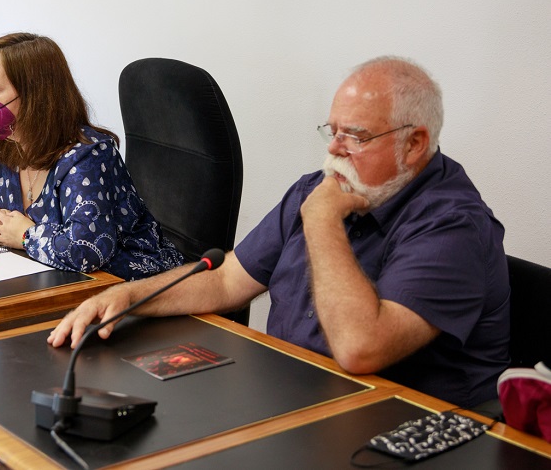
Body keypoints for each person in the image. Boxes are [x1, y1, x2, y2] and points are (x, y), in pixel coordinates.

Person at [48, 56, 510, 408]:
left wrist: (323, 222)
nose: (334, 148)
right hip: (293, 395)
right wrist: (130, 297)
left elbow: (358, 349)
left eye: (356, 136)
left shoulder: (453, 225)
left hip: (399, 424)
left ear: (415, 144)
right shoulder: (320, 189)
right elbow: (229, 279)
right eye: (332, 131)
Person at [0, 32, 184, 280]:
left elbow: (86, 250)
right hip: (57, 282)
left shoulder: (88, 156)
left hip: (132, 288)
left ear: (35, 97)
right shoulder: (4, 147)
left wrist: (24, 235)